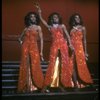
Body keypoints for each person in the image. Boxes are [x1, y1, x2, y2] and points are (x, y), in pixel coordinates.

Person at [34, 2, 74, 92]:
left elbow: (67, 36)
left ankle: (64, 84)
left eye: (56, 17)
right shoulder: (50, 27)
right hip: (54, 45)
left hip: (63, 45)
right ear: (51, 20)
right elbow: (42, 20)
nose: (55, 18)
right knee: (52, 63)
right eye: (53, 17)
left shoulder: (62, 26)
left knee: (64, 64)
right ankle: (46, 85)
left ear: (58, 18)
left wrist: (70, 45)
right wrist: (39, 12)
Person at [17, 11, 44, 93]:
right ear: (29, 19)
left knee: (35, 65)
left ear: (36, 18)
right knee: (26, 65)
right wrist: (22, 43)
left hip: (34, 47)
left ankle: (38, 85)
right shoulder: (26, 29)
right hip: (25, 47)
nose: (33, 18)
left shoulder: (38, 28)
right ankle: (27, 86)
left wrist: (41, 52)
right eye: (31, 17)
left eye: (34, 17)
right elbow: (19, 39)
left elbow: (41, 40)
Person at [68, 13, 93, 89]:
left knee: (81, 65)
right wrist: (69, 46)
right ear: (73, 19)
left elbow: (84, 40)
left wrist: (86, 52)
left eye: (78, 18)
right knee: (72, 65)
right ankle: (75, 84)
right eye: (76, 18)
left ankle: (85, 81)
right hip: (72, 49)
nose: (77, 19)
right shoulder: (71, 29)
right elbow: (69, 39)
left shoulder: (83, 28)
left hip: (80, 48)